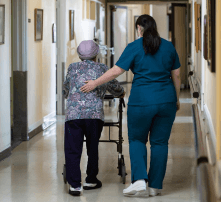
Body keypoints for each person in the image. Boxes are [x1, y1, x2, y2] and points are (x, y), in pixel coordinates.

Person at [80, 15, 181, 197]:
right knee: (160, 143)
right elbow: (177, 75)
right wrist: (177, 99)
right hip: (167, 100)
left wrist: (95, 83)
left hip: (141, 102)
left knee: (137, 140)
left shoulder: (134, 47)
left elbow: (117, 71)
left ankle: (140, 181)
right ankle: (155, 186)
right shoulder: (168, 46)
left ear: (138, 28)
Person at [63, 40, 125, 196]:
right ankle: (91, 179)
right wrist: (121, 93)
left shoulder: (72, 68)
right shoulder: (102, 69)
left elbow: (65, 90)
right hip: (94, 116)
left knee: (72, 149)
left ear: (79, 54)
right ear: (96, 54)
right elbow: (116, 87)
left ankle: (75, 185)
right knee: (92, 147)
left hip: (74, 115)